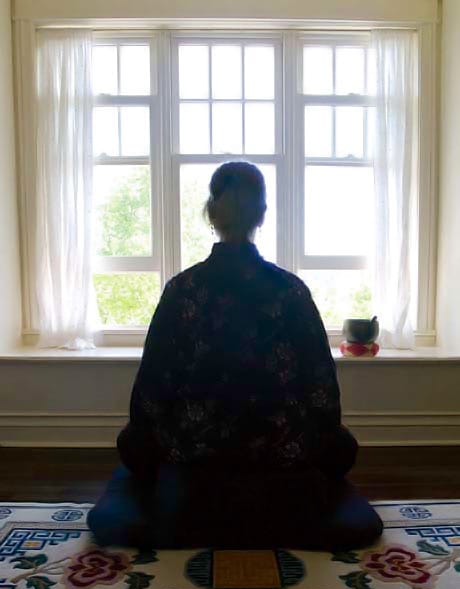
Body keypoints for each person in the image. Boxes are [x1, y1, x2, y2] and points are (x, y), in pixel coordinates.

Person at [87, 162, 383, 551]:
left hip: (194, 456)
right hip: (281, 455)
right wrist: (318, 439)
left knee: (132, 443)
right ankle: (276, 501)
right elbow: (323, 392)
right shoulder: (289, 291)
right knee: (341, 446)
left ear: (211, 213)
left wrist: (154, 438)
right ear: (262, 213)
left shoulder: (183, 290)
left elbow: (150, 392)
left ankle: (197, 499)